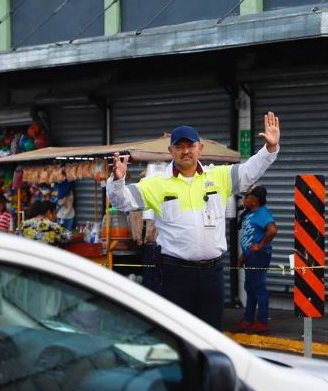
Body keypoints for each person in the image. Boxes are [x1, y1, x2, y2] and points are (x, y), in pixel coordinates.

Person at [108, 112, 281, 330]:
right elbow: (122, 201)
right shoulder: (156, 183)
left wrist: (270, 149)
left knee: (211, 335)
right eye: (179, 147)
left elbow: (249, 171)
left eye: (190, 146)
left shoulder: (218, 177)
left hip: (212, 274)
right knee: (179, 336)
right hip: (175, 275)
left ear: (200, 148)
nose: (185, 151)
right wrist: (117, 180)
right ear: (170, 151)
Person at [237, 185, 277, 333]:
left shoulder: (262, 213)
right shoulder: (249, 214)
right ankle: (248, 319)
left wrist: (260, 245)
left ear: (254, 200)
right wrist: (243, 255)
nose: (244, 199)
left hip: (259, 256)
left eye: (246, 197)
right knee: (250, 287)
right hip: (250, 256)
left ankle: (262, 321)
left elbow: (272, 230)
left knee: (258, 287)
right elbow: (248, 237)